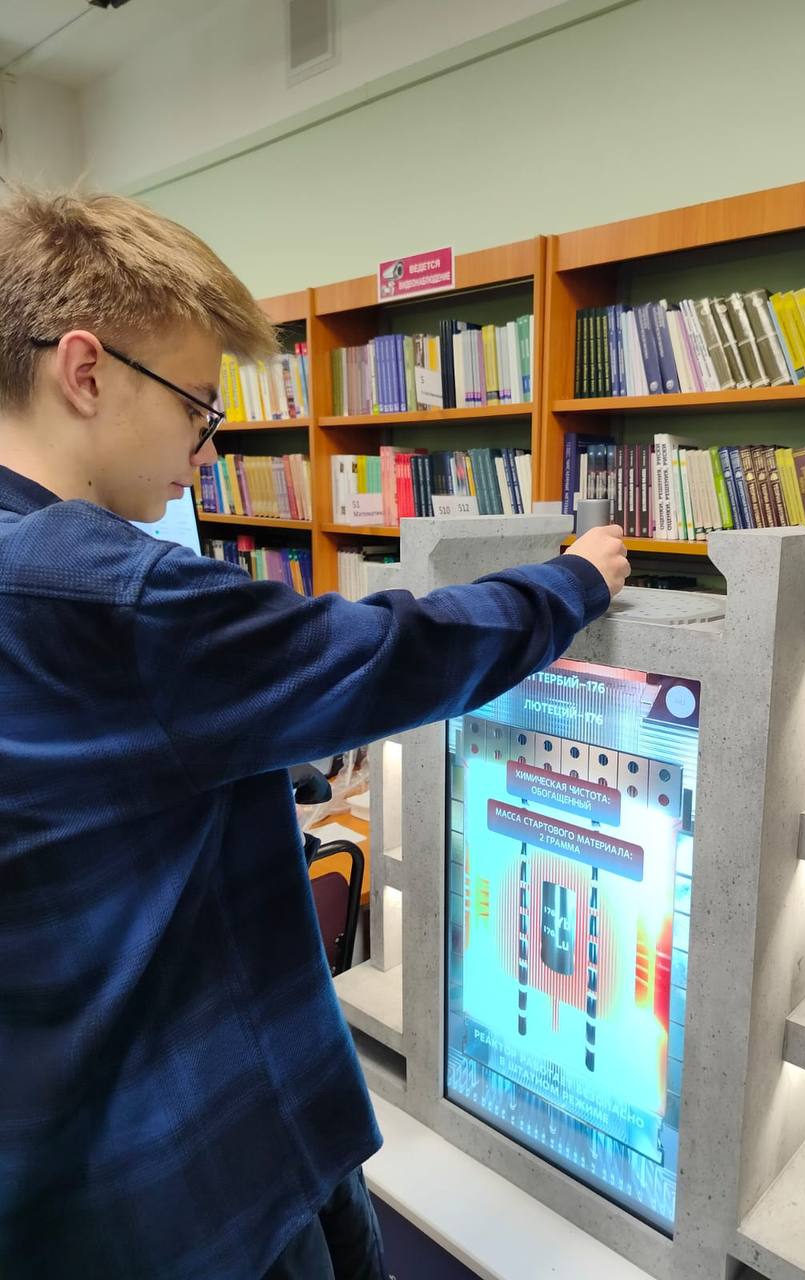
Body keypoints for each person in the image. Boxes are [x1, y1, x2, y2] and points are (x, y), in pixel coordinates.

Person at [0, 188, 629, 1280]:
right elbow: (392, 651)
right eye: (197, 407)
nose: (204, 453)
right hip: (206, 1164)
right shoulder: (102, 589)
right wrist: (574, 580)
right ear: (87, 372)